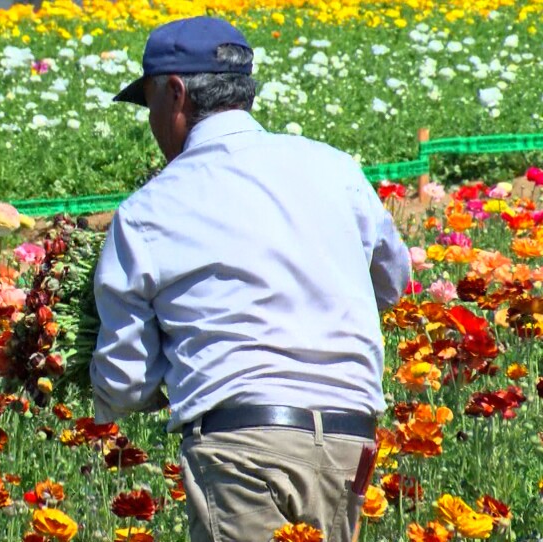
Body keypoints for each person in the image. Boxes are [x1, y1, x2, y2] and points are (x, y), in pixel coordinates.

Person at [89, 16, 410, 542]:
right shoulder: (335, 169)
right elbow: (392, 282)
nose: (152, 123)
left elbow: (125, 381)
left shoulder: (150, 210)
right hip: (350, 439)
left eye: (149, 105)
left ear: (176, 93)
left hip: (242, 450)